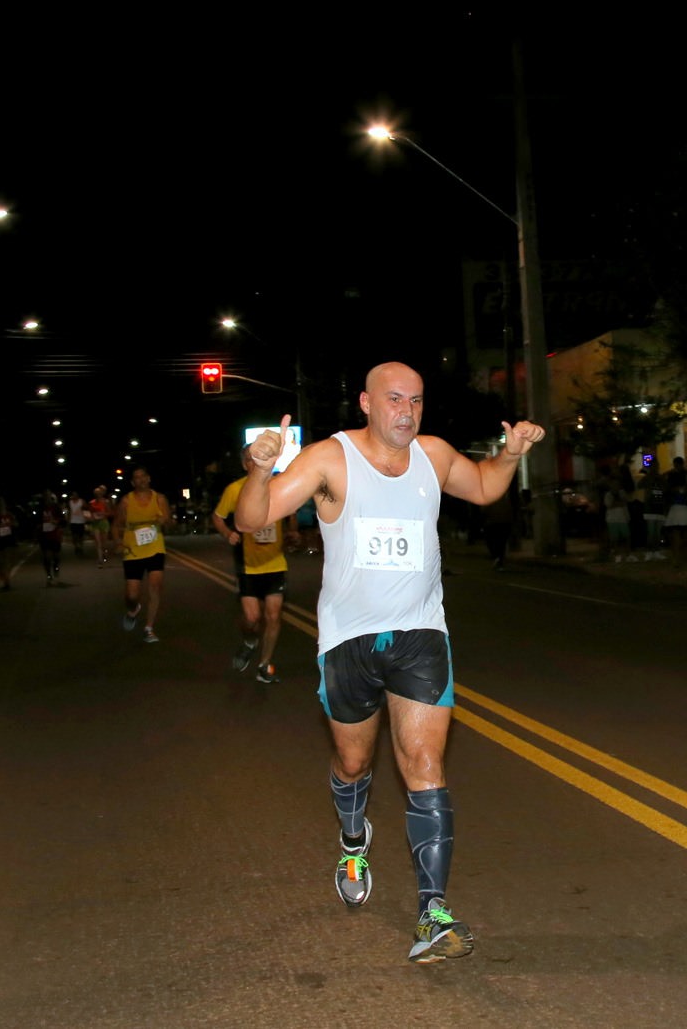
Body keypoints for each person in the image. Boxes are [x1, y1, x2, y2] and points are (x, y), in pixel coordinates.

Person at [234, 361, 545, 964]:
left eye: (417, 401)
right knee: (353, 763)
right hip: (347, 640)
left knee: (425, 764)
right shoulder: (330, 458)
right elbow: (253, 519)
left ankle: (433, 912)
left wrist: (509, 455)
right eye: (395, 399)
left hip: (421, 633)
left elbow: (484, 487)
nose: (407, 411)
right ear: (366, 403)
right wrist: (258, 469)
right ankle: (354, 841)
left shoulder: (433, 454)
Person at [212, 448, 301, 683]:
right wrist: (228, 533)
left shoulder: (279, 485)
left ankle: (264, 664)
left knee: (273, 616)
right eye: (251, 461)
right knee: (252, 619)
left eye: (260, 459)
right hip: (248, 565)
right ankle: (250, 640)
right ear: (245, 465)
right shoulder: (235, 490)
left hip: (275, 563)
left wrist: (292, 531)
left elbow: (291, 513)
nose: (256, 464)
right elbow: (217, 517)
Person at [112, 467, 174, 643]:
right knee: (131, 596)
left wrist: (165, 521)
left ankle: (149, 628)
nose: (141, 480)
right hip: (133, 551)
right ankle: (133, 610)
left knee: (155, 587)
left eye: (143, 476)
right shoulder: (126, 501)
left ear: (149, 478)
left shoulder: (159, 499)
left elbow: (169, 522)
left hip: (155, 548)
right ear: (133, 482)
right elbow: (116, 525)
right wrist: (118, 543)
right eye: (137, 478)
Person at [37, 493, 65, 586]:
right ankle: (49, 575)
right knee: (46, 557)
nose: (47, 500)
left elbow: (62, 519)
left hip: (55, 535)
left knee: (56, 556)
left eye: (49, 498)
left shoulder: (56, 507)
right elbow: (36, 520)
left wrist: (57, 522)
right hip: (44, 536)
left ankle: (56, 569)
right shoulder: (40, 508)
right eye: (46, 498)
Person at [88, 485, 113, 567]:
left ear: (102, 493)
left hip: (104, 523)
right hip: (95, 523)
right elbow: (90, 513)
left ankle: (104, 552)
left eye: (99, 493)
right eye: (96, 493)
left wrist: (103, 514)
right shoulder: (91, 503)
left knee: (104, 543)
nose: (98, 494)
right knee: (98, 542)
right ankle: (100, 559)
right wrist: (92, 517)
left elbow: (110, 513)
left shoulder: (105, 502)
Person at [67, 492, 88, 556]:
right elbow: (69, 511)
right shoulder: (70, 502)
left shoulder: (82, 501)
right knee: (74, 536)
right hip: (73, 521)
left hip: (81, 521)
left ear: (78, 495)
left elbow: (86, 508)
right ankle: (76, 547)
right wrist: (68, 520)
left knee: (80, 536)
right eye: (73, 495)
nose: (74, 496)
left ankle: (80, 547)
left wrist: (85, 516)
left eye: (75, 495)